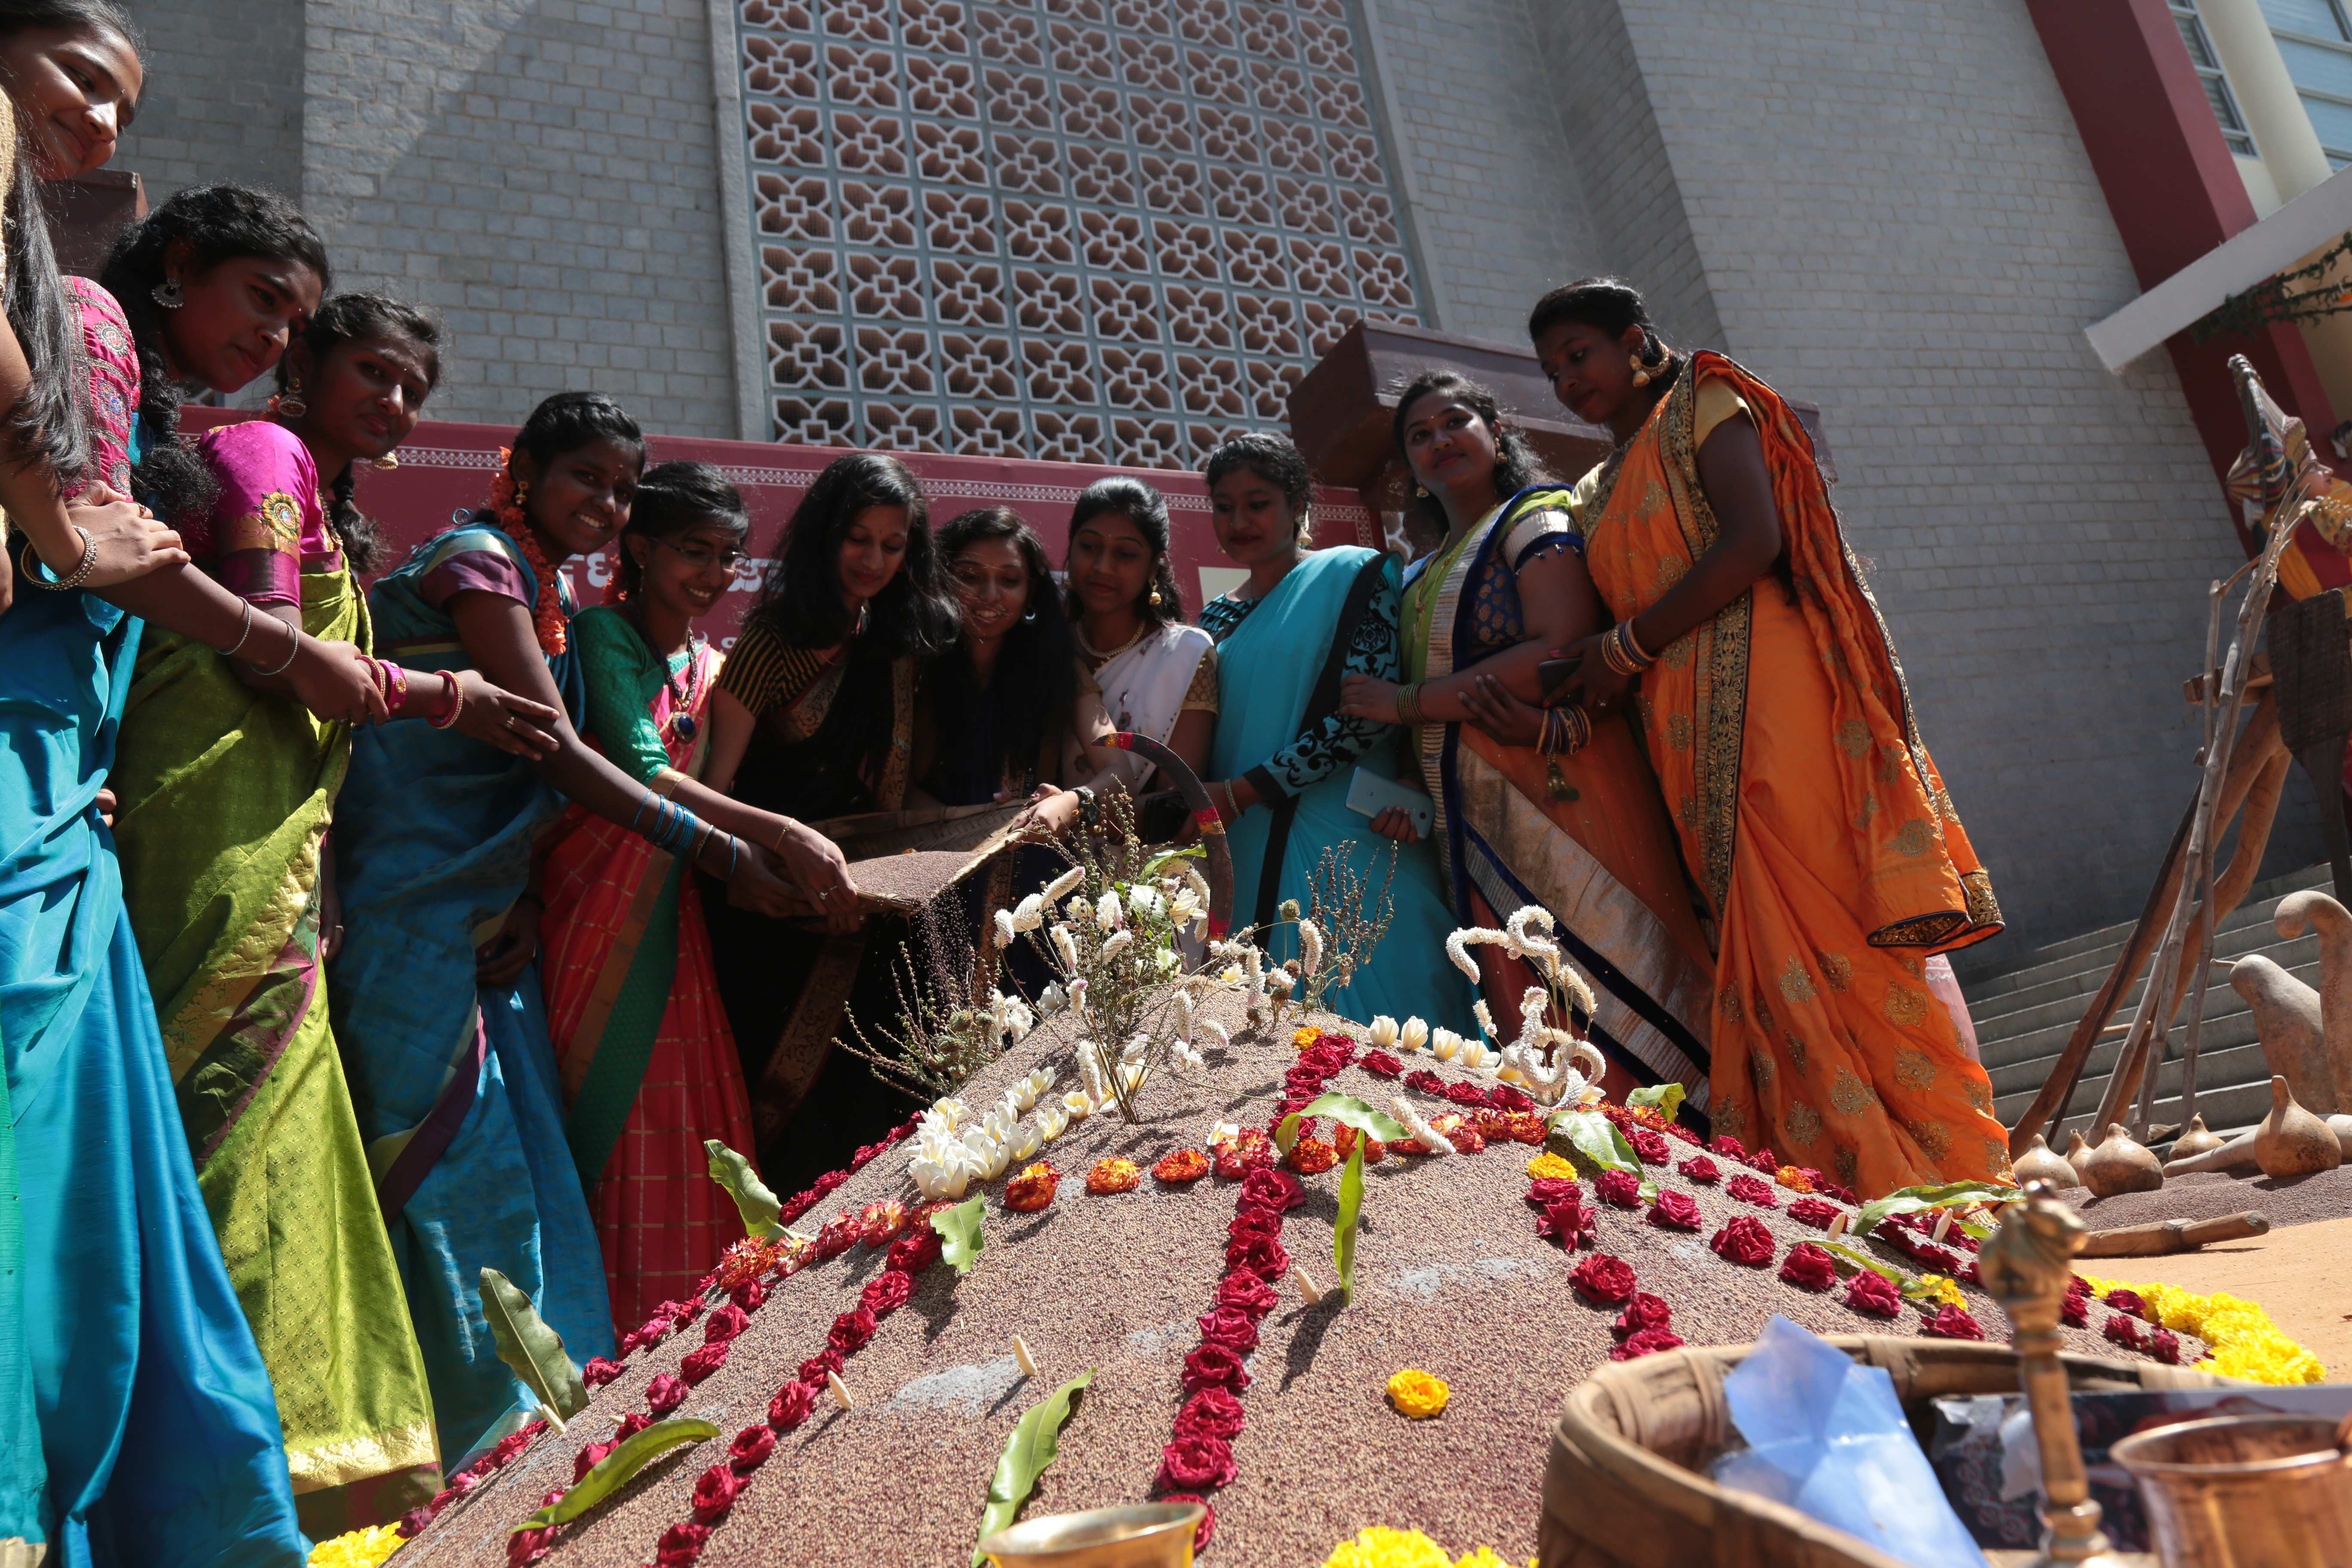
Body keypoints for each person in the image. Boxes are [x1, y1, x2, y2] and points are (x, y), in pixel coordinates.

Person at [106, 289, 557, 1530]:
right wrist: (443, 695)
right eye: (373, 371)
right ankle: (223, 1487)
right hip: (220, 849)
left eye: (414, 386)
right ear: (302, 363)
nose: (398, 403)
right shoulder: (264, 454)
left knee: (292, 1157)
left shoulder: (328, 493)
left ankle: (288, 1472)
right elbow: (274, 654)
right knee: (238, 1151)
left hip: (295, 863)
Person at [328, 392, 804, 1459]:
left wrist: (526, 891)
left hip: (488, 918)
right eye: (585, 476)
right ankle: (455, 1434)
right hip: (407, 904)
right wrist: (727, 852)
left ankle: (545, 1408)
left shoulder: (541, 590)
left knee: (517, 1163)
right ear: (524, 468)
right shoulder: (482, 566)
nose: (605, 501)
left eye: (622, 485)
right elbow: (555, 752)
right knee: (439, 1166)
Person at [0, 101, 309, 1566]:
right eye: (263, 299)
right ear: (175, 262)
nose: (273, 340)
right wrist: (311, 657)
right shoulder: (89, 328)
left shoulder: (162, 390)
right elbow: (85, 542)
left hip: (66, 777)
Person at [1525, 275, 2005, 1194]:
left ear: (1633, 340)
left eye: (1578, 356)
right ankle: (1845, 1173)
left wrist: (1621, 647)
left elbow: (1754, 541)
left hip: (1772, 687)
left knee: (1824, 910)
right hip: (1676, 718)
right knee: (1758, 931)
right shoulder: (1593, 487)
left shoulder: (1707, 397)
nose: (1567, 383)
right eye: (1551, 373)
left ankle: (1943, 1167)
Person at [1338, 370, 1717, 1108]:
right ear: (1407, 466)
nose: (1439, 442)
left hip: (1566, 790)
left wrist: (1406, 702)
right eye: (1419, 435)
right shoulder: (1416, 576)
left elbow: (1559, 648)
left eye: (1454, 422)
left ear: (1495, 432)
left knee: (1616, 985)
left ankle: (1697, 1166)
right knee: (1530, 1013)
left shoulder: (1535, 518)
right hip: (1469, 824)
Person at [536, 462, 761, 1332]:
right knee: (618, 1124)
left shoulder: (712, 663)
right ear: (637, 548)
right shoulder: (603, 636)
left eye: (727, 557)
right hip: (596, 923)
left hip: (678, 931)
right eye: (692, 551)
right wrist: (770, 840)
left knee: (693, 1129)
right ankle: (609, 1335)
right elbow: (645, 770)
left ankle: (703, 1338)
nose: (709, 574)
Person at [703, 451, 957, 1187]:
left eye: (892, 542)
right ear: (823, 535)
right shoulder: (770, 643)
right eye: (858, 537)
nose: (873, 559)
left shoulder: (898, 645)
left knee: (884, 1122)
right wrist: (766, 864)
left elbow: (898, 800)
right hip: (777, 919)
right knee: (793, 1135)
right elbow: (713, 788)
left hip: (875, 919)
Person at [1200, 433, 1473, 1032]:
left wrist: (1242, 793)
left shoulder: (1356, 572)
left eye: (1258, 502)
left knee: (1395, 1041)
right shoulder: (1212, 618)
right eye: (1224, 506)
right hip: (1242, 850)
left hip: (1351, 841)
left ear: (1299, 504)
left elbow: (1361, 718)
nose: (1239, 520)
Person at [918, 505, 1118, 827]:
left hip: (1027, 852)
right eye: (969, 577)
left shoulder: (1058, 667)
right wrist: (967, 825)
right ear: (940, 579)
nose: (990, 595)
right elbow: (893, 789)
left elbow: (1119, 773)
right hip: (918, 857)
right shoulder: (914, 664)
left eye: (1010, 580)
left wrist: (1070, 802)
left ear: (1031, 593)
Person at [1063, 476, 1216, 796]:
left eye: (1126, 554)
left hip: (1134, 843)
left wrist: (1071, 813)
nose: (1103, 567)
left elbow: (1174, 801)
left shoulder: (1184, 656)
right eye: (1089, 547)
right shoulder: (1046, 643)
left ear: (1153, 567)